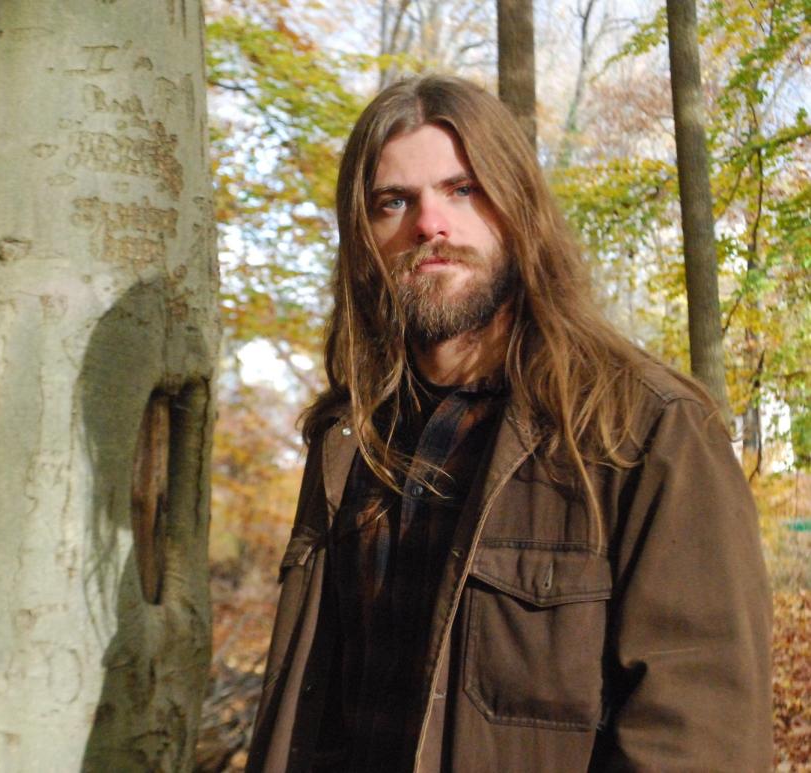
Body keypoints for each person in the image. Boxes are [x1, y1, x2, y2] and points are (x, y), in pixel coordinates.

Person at [246, 75, 772, 772]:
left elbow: (698, 741)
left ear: (518, 207)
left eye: (463, 190)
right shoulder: (350, 439)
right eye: (393, 201)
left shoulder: (646, 430)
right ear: (363, 238)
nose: (429, 224)